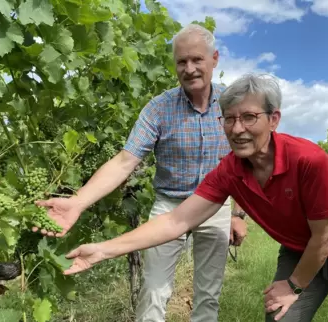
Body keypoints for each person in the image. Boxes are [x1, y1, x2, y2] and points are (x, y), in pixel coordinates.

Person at [58, 73, 328, 322]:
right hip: (306, 246)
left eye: (250, 117)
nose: (237, 129)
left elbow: (327, 234)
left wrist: (294, 286)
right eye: (229, 119)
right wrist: (103, 249)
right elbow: (177, 219)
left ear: (274, 120)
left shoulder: (308, 160)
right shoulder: (230, 171)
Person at [34, 24, 248, 322]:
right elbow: (124, 161)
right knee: (153, 291)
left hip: (215, 207)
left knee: (208, 295)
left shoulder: (233, 107)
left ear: (214, 59)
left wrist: (236, 215)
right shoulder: (159, 108)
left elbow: (242, 162)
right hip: (169, 206)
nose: (189, 68)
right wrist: (78, 201)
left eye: (197, 59)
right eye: (181, 61)